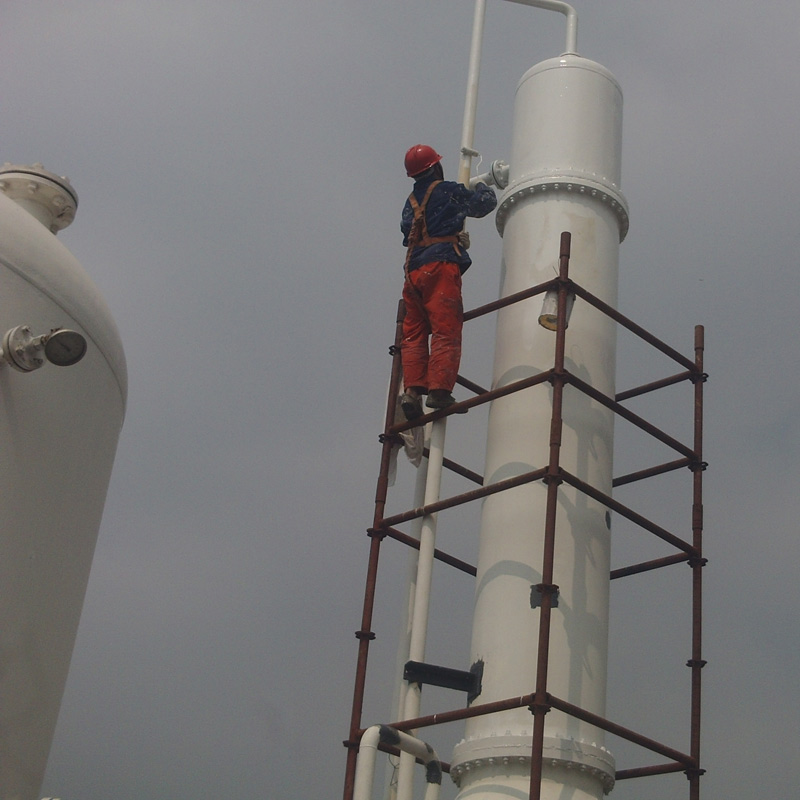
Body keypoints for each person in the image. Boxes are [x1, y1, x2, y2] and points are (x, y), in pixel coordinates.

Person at [400, 144, 497, 420]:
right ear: (435, 167)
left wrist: (453, 234)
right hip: (439, 267)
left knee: (414, 335)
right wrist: (481, 188)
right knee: (446, 329)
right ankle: (439, 391)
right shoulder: (448, 191)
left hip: (412, 272)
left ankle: (412, 392)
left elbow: (408, 231)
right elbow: (483, 205)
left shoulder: (410, 203)